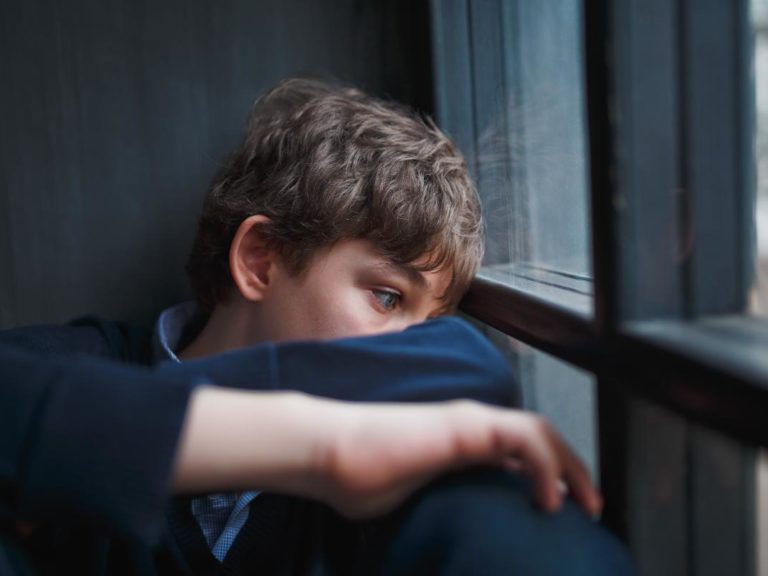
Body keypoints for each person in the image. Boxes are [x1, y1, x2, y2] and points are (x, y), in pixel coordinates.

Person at [0, 78, 634, 575]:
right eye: (387, 298)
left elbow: (468, 365)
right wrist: (324, 444)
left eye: (430, 320)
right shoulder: (74, 366)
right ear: (261, 260)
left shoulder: (411, 427)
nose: (409, 346)